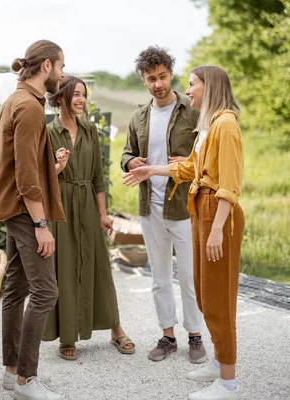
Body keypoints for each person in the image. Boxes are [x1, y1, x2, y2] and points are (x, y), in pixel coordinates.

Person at [123, 65, 244, 400]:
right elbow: (189, 166)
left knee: (218, 299)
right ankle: (220, 364)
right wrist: (151, 169)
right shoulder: (209, 126)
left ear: (211, 87)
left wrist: (217, 229)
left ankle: (229, 383)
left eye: (193, 85)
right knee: (206, 296)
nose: (188, 90)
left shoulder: (226, 125)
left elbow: (230, 186)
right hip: (201, 209)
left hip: (217, 215)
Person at [0, 39, 67, 400]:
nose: (63, 75)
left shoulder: (17, 100)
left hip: (14, 207)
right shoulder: (30, 107)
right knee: (45, 291)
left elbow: (25, 165)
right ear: (47, 66)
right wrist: (41, 225)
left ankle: (10, 372)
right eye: (61, 67)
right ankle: (25, 381)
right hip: (23, 212)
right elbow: (23, 175)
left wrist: (53, 169)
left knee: (16, 288)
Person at [121, 46, 206, 364]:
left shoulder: (193, 111)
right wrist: (131, 162)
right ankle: (167, 336)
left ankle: (195, 337)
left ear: (171, 74)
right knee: (159, 277)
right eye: (150, 78)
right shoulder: (139, 116)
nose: (157, 83)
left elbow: (207, 156)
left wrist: (190, 161)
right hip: (149, 208)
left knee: (188, 276)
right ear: (143, 80)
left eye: (162, 76)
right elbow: (126, 154)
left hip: (184, 208)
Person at [42, 76, 135, 360]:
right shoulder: (47, 132)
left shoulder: (90, 129)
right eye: (75, 94)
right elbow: (41, 179)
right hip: (60, 206)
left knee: (99, 267)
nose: (81, 100)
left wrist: (103, 214)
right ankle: (67, 337)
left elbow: (98, 177)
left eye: (84, 94)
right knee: (66, 269)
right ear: (60, 98)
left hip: (88, 207)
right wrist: (58, 167)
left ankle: (116, 329)